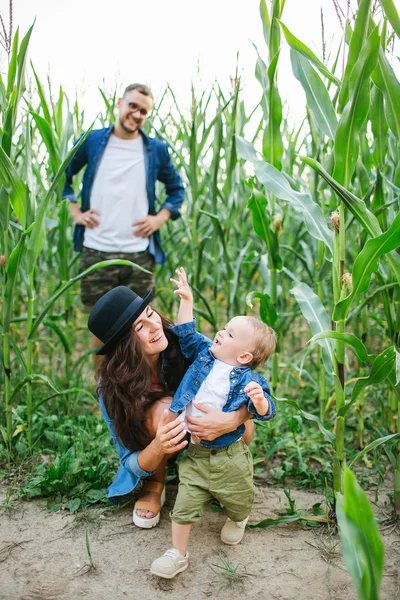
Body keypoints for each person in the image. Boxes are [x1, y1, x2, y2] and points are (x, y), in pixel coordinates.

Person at [87, 285, 257, 528]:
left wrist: (231, 420)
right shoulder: (112, 387)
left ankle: (213, 474)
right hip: (161, 438)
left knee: (246, 428)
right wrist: (158, 447)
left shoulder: (185, 341)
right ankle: (155, 483)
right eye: (140, 327)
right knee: (166, 412)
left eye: (149, 313)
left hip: (203, 431)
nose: (155, 326)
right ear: (124, 345)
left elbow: (243, 381)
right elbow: (129, 459)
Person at [150, 268, 277, 579]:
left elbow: (267, 410)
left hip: (229, 458)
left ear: (245, 356)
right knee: (184, 507)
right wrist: (187, 301)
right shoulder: (205, 355)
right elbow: (186, 334)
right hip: (194, 455)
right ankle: (178, 553)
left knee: (238, 499)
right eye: (223, 327)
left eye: (230, 334)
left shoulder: (250, 380)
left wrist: (258, 400)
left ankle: (239, 517)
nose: (221, 332)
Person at [64, 83, 185, 348]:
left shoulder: (155, 149)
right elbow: (63, 174)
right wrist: (74, 210)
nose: (137, 114)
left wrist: (160, 218)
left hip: (139, 254)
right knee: (101, 328)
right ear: (120, 103)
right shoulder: (92, 140)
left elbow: (177, 190)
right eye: (132, 106)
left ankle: (134, 388)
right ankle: (102, 388)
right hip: (97, 249)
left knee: (140, 327)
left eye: (144, 111)